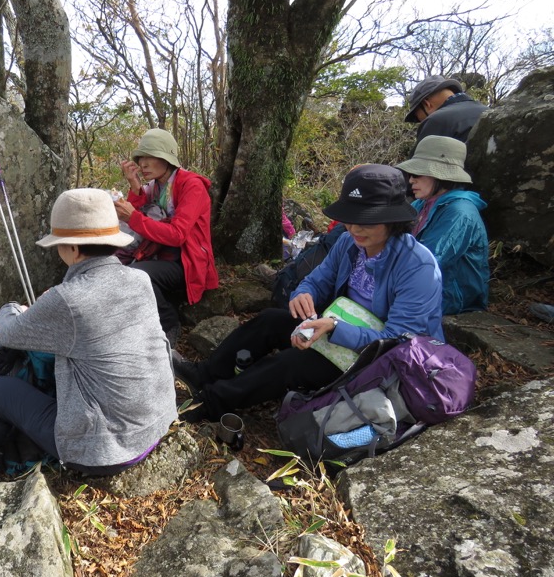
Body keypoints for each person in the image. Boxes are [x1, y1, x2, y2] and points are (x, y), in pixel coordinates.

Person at [0, 188, 177, 483]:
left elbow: (10, 334)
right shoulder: (140, 279)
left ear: (72, 249)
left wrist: (13, 307)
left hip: (105, 450)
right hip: (155, 425)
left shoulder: (69, 299)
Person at [173, 164, 444, 423]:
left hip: (378, 363)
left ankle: (211, 402)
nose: (355, 228)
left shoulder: (416, 266)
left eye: (367, 221)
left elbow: (397, 342)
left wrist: (335, 328)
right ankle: (205, 374)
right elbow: (317, 280)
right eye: (351, 219)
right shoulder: (350, 244)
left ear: (393, 220)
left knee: (292, 363)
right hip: (336, 328)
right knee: (270, 320)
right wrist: (303, 294)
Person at [114, 129, 218, 345]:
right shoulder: (154, 186)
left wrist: (133, 217)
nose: (143, 164)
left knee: (133, 275)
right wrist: (134, 186)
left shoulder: (192, 185)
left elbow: (178, 235)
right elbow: (140, 220)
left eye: (149, 157)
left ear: (166, 158)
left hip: (186, 261)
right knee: (113, 267)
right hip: (157, 255)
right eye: (140, 158)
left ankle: (169, 322)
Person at [395, 135, 490, 315]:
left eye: (417, 174)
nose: (411, 180)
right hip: (426, 288)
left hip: (453, 299)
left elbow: (429, 261)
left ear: (438, 174)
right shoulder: (421, 204)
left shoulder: (460, 212)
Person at [405, 75, 487, 145]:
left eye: (421, 120)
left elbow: (420, 162)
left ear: (427, 104)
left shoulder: (436, 121)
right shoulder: (488, 111)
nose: (422, 122)